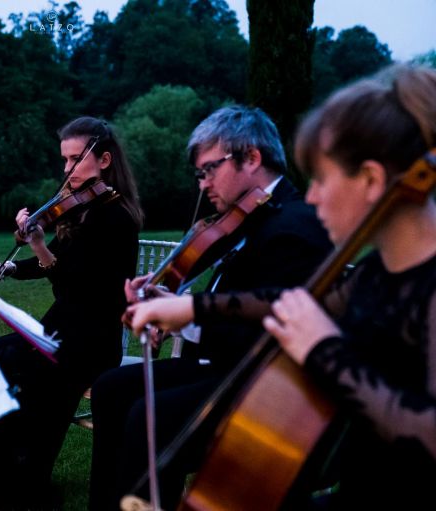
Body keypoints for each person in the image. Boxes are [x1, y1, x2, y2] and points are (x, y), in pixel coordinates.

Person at [128, 65, 436, 509]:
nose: (309, 198)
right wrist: (191, 311)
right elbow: (292, 302)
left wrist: (324, 351)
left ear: (370, 180)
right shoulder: (375, 276)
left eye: (321, 180)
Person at [89, 106, 333, 510]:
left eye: (209, 170)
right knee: (111, 388)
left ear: (251, 158)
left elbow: (269, 331)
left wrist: (187, 320)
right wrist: (170, 306)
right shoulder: (249, 219)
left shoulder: (293, 224)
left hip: (265, 383)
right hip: (225, 362)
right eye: (200, 174)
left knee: (149, 415)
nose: (203, 185)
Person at [0, 116, 142, 510]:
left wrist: (41, 249)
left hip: (91, 342)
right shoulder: (80, 209)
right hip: (60, 330)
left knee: (16, 371)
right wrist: (11, 266)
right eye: (64, 160)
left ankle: (17, 480)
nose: (67, 170)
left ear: (105, 160)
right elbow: (61, 260)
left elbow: (78, 289)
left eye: (76, 160)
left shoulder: (116, 218)